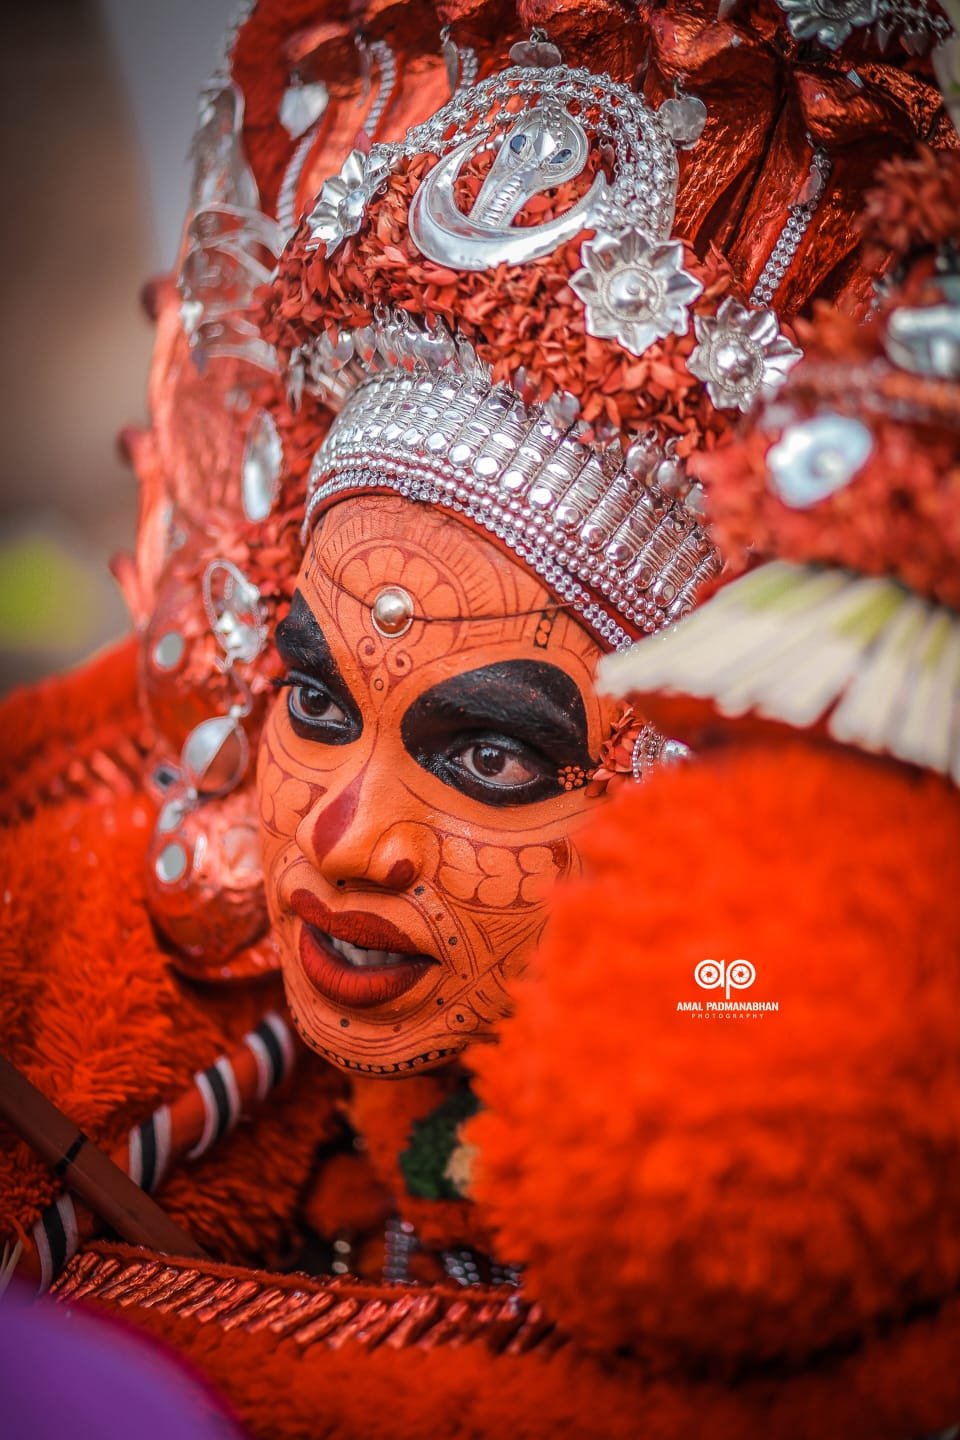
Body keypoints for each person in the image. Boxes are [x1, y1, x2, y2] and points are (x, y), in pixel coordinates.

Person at [2, 2, 958, 1435]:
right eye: (316, 699)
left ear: (685, 788)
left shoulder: (765, 1072)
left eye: (491, 750)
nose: (343, 840)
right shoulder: (128, 1045)